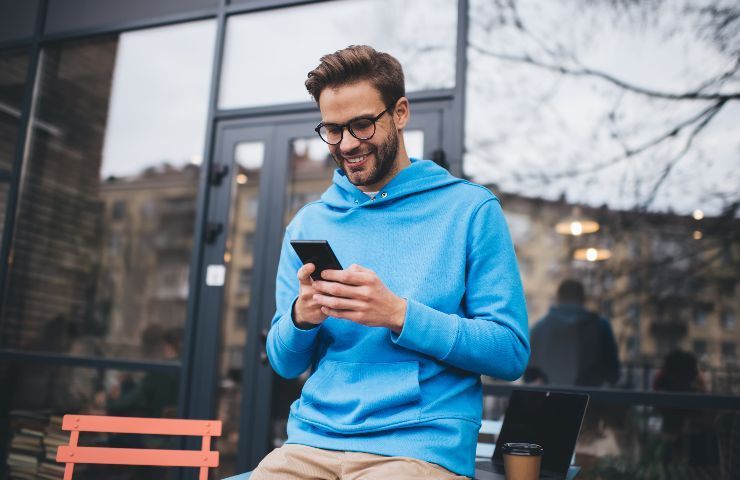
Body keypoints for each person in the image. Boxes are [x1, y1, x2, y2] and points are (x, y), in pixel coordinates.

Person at [252, 45, 529, 479]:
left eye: (361, 126)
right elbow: (284, 363)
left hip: (417, 449)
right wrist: (301, 318)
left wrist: (399, 315)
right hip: (311, 443)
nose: (346, 145)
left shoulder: (470, 210)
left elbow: (510, 353)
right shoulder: (308, 223)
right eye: (332, 129)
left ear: (399, 113)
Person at [528, 279, 620, 387]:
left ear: (558, 298)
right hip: (591, 399)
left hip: (550, 399)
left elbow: (529, 375)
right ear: (583, 299)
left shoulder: (540, 327)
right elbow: (613, 374)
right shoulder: (600, 326)